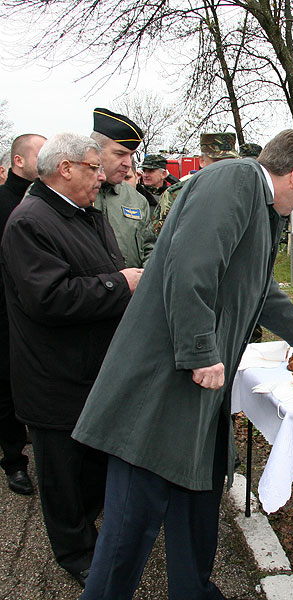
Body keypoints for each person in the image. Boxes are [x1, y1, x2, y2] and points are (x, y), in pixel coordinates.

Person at [72, 129, 293, 599]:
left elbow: (257, 285)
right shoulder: (236, 181)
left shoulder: (256, 203)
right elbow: (191, 265)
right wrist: (199, 351)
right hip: (163, 382)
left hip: (199, 389)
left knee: (202, 489)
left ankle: (193, 589)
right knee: (132, 520)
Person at [0, 133, 142, 587]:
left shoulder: (83, 213)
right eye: (93, 168)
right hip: (55, 378)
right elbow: (48, 299)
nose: (102, 177)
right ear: (65, 169)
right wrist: (121, 286)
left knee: (93, 464)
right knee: (62, 474)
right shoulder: (30, 221)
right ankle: (74, 553)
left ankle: (89, 532)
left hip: (93, 370)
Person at [0, 133, 46, 496]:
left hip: (38, 313)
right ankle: (14, 462)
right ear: (19, 161)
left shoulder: (47, 202)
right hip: (4, 312)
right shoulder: (5, 203)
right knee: (4, 389)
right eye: (40, 153)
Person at [90, 107, 156, 268]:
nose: (128, 163)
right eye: (120, 154)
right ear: (95, 151)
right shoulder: (69, 193)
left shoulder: (137, 201)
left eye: (131, 155)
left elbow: (151, 249)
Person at [152, 132, 239, 236]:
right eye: (217, 160)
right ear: (202, 161)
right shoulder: (177, 194)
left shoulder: (242, 193)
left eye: (229, 161)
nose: (224, 166)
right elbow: (160, 236)